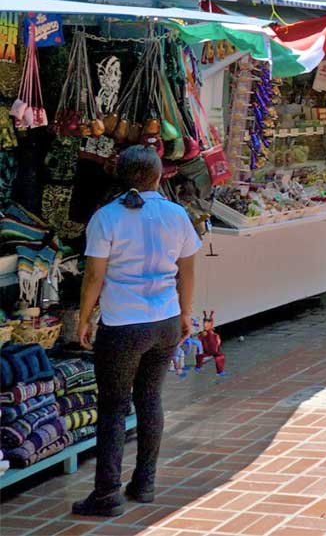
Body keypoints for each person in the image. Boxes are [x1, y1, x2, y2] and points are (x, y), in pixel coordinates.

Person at [72, 146, 200, 517]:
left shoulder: (105, 218)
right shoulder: (177, 215)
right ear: (159, 176)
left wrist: (83, 318)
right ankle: (144, 483)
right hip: (165, 321)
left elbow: (95, 275)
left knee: (113, 406)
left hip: (123, 323)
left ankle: (106, 494)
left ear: (120, 175)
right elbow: (187, 270)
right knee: (150, 399)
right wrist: (185, 313)